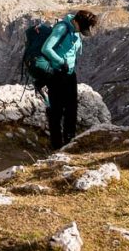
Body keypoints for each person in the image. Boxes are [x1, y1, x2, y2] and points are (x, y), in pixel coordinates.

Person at [34, 9, 98, 149]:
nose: (83, 31)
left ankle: (69, 142)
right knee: (56, 111)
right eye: (83, 28)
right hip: (56, 74)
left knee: (71, 109)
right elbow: (46, 49)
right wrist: (61, 62)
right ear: (76, 21)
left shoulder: (75, 30)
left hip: (69, 74)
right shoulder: (62, 28)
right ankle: (56, 146)